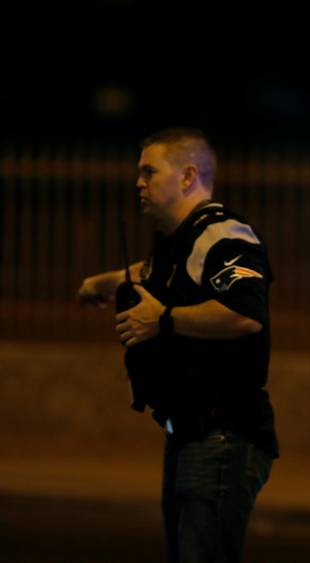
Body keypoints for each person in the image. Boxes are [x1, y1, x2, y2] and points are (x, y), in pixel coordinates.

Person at [78, 128, 277, 563]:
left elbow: (244, 314)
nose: (139, 183)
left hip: (223, 434)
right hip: (190, 432)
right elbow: (154, 271)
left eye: (149, 171)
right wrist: (108, 283)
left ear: (188, 177)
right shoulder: (181, 240)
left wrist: (162, 319)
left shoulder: (224, 236)